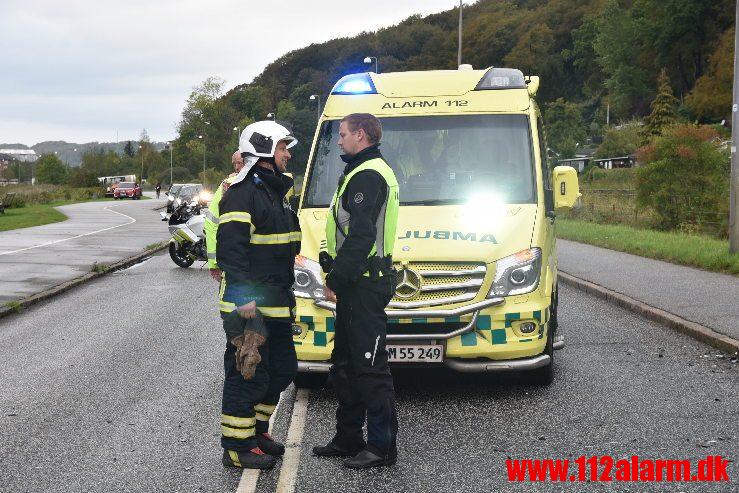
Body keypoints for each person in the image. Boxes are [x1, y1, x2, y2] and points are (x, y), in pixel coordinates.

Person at [312, 113, 400, 469]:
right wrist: (326, 256)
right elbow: (345, 228)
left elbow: (363, 236)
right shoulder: (357, 172)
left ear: (360, 135)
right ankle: (349, 438)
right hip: (355, 283)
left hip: (363, 285)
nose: (339, 140)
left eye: (343, 134)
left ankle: (382, 447)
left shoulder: (369, 174)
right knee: (345, 364)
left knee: (370, 368)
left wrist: (335, 278)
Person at [216, 120, 301, 470]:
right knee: (247, 373)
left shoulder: (276, 193)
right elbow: (232, 251)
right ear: (265, 149)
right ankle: (237, 447)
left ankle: (257, 431)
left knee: (282, 369)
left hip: (277, 301)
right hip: (248, 305)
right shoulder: (242, 192)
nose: (287, 155)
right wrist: (243, 299)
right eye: (283, 148)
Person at [204, 151, 244, 282]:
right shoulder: (226, 185)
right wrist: (213, 263)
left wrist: (213, 263)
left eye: (240, 163)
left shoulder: (227, 185)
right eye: (234, 164)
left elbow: (211, 223)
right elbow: (211, 223)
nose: (237, 167)